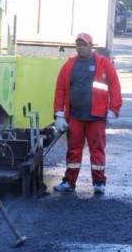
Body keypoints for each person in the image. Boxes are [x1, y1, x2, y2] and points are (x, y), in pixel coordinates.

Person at [53, 32, 123, 194]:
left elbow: (114, 87)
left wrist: (114, 109)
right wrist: (58, 113)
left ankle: (99, 182)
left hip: (96, 117)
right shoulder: (69, 65)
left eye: (84, 45)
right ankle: (70, 182)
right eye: (78, 44)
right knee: (73, 150)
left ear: (91, 46)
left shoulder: (104, 64)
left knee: (97, 149)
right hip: (75, 117)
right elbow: (60, 89)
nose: (81, 48)